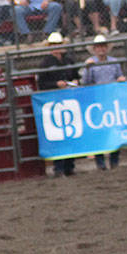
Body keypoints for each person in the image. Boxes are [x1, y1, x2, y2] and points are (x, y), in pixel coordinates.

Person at [34, 32, 79, 177]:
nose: (56, 48)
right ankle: (59, 167)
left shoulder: (69, 60)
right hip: (53, 101)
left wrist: (75, 81)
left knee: (70, 134)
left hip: (68, 99)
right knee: (58, 134)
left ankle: (69, 166)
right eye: (54, 45)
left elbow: (76, 75)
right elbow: (41, 83)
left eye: (58, 45)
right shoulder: (45, 63)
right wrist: (55, 84)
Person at [79, 35, 126, 170]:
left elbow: (119, 76)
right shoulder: (90, 64)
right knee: (99, 131)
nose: (101, 49)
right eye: (99, 47)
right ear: (94, 49)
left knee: (113, 131)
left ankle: (114, 160)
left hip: (111, 100)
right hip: (97, 101)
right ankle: (101, 162)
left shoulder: (114, 61)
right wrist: (87, 69)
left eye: (103, 46)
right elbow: (85, 82)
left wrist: (121, 79)